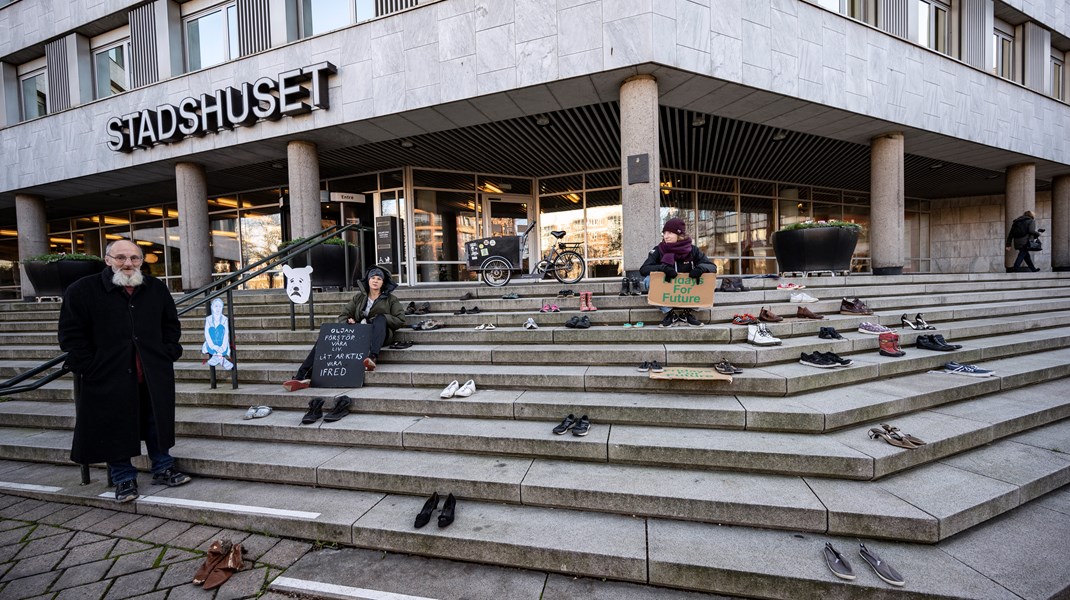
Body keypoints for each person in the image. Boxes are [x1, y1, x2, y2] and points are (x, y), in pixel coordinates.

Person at [57, 240, 190, 503]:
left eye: (134, 258)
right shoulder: (83, 290)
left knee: (156, 420)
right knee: (115, 424)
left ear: (142, 261)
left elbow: (170, 325)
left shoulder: (155, 288)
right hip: (108, 374)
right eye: (120, 258)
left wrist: (169, 351)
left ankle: (163, 466)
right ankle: (123, 477)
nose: (128, 263)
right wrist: (89, 365)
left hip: (152, 371)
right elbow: (71, 334)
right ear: (107, 260)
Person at [284, 266, 405, 390]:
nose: (375, 281)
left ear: (383, 282)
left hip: (380, 335)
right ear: (368, 280)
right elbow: (343, 315)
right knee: (326, 339)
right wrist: (348, 321)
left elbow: (400, 320)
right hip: (359, 334)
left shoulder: (391, 299)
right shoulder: (359, 297)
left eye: (379, 279)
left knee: (380, 318)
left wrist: (376, 319)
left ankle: (372, 358)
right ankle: (302, 376)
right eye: (373, 278)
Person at [639, 217, 717, 327]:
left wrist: (700, 269)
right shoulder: (659, 249)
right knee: (648, 280)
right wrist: (663, 268)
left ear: (679, 234)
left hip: (686, 290)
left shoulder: (692, 249)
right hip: (667, 288)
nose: (666, 236)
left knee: (708, 279)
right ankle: (671, 314)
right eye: (664, 233)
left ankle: (687, 313)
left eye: (670, 233)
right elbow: (644, 269)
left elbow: (712, 266)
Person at [201, 298, 233, 370]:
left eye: (220, 306)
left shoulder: (224, 319)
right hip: (211, 344)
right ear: (212, 307)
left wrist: (222, 347)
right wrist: (213, 346)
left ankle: (216, 357)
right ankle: (222, 360)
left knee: (221, 328)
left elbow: (225, 334)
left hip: (222, 343)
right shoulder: (208, 319)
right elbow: (207, 334)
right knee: (211, 331)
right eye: (216, 306)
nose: (218, 308)